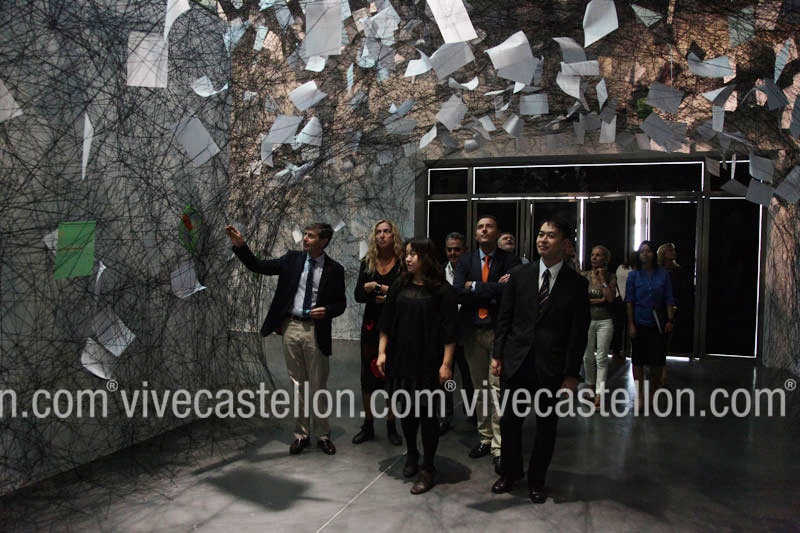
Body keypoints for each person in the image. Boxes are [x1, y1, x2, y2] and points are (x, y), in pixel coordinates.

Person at [490, 218, 590, 504]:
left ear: (565, 243)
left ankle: (537, 480)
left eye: (551, 235)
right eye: (541, 234)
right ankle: (510, 473)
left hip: (552, 367)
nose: (543, 240)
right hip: (516, 362)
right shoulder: (520, 275)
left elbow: (578, 334)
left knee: (546, 427)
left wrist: (571, 374)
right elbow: (505, 319)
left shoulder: (576, 284)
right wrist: (498, 355)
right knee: (510, 423)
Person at [225, 223, 346, 456]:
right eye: (305, 235)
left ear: (324, 241)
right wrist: (241, 246)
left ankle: (323, 435)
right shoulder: (292, 259)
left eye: (311, 236)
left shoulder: (335, 269)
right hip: (291, 327)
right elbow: (258, 265)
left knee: (318, 384)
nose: (305, 239)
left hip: (315, 330)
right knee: (298, 384)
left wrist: (328, 310)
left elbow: (340, 303)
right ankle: (301, 435)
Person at [377, 238, 457, 495]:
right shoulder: (399, 284)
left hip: (430, 363)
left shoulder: (442, 290)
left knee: (428, 416)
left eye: (413, 254)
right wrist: (381, 352)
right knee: (407, 412)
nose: (408, 258)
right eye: (407, 254)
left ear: (426, 257)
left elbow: (450, 332)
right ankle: (412, 453)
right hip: (402, 359)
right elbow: (386, 322)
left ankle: (428, 467)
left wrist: (446, 364)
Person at [453, 216, 521, 474]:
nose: (484, 230)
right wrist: (491, 289)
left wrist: (474, 287)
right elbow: (458, 291)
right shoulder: (466, 261)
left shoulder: (510, 260)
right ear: (476, 234)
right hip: (472, 332)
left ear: (497, 232)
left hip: (497, 332)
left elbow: (509, 291)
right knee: (479, 388)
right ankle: (485, 438)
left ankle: (499, 446)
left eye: (489, 226)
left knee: (497, 389)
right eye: (480, 227)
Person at [352, 220, 403, 446]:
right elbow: (358, 295)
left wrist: (378, 288)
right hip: (371, 325)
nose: (382, 235)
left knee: (392, 376)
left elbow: (405, 293)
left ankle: (392, 424)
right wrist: (378, 296)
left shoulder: (402, 262)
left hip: (395, 326)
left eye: (386, 232)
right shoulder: (368, 262)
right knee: (367, 376)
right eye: (378, 232)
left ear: (393, 235)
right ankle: (368, 425)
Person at [625, 240, 675, 409]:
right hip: (639, 321)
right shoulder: (633, 275)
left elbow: (669, 298)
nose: (645, 254)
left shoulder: (663, 274)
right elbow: (629, 301)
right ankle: (639, 394)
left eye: (648, 251)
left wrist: (670, 319)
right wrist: (631, 324)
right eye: (642, 251)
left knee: (657, 362)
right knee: (638, 360)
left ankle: (652, 394)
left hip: (658, 323)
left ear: (654, 254)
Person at [440, 232, 475, 434]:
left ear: (465, 250)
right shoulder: (438, 272)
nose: (453, 253)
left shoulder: (472, 272)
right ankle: (446, 415)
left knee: (469, 377)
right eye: (449, 249)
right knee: (447, 377)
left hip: (467, 333)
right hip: (445, 334)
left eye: (457, 249)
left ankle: (473, 413)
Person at [581, 245, 617, 407]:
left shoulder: (611, 276)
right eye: (592, 255)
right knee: (587, 356)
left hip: (605, 320)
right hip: (587, 319)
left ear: (605, 259)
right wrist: (599, 300)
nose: (594, 258)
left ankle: (599, 394)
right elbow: (581, 299)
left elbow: (610, 298)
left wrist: (603, 280)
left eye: (598, 255)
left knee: (601, 357)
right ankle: (589, 386)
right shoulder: (584, 276)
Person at [657, 242, 681, 385]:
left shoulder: (677, 270)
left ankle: (662, 368)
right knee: (659, 338)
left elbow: (679, 290)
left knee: (666, 339)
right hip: (660, 307)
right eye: (670, 250)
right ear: (663, 254)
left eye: (674, 250)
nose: (673, 253)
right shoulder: (659, 271)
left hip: (673, 306)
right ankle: (659, 369)